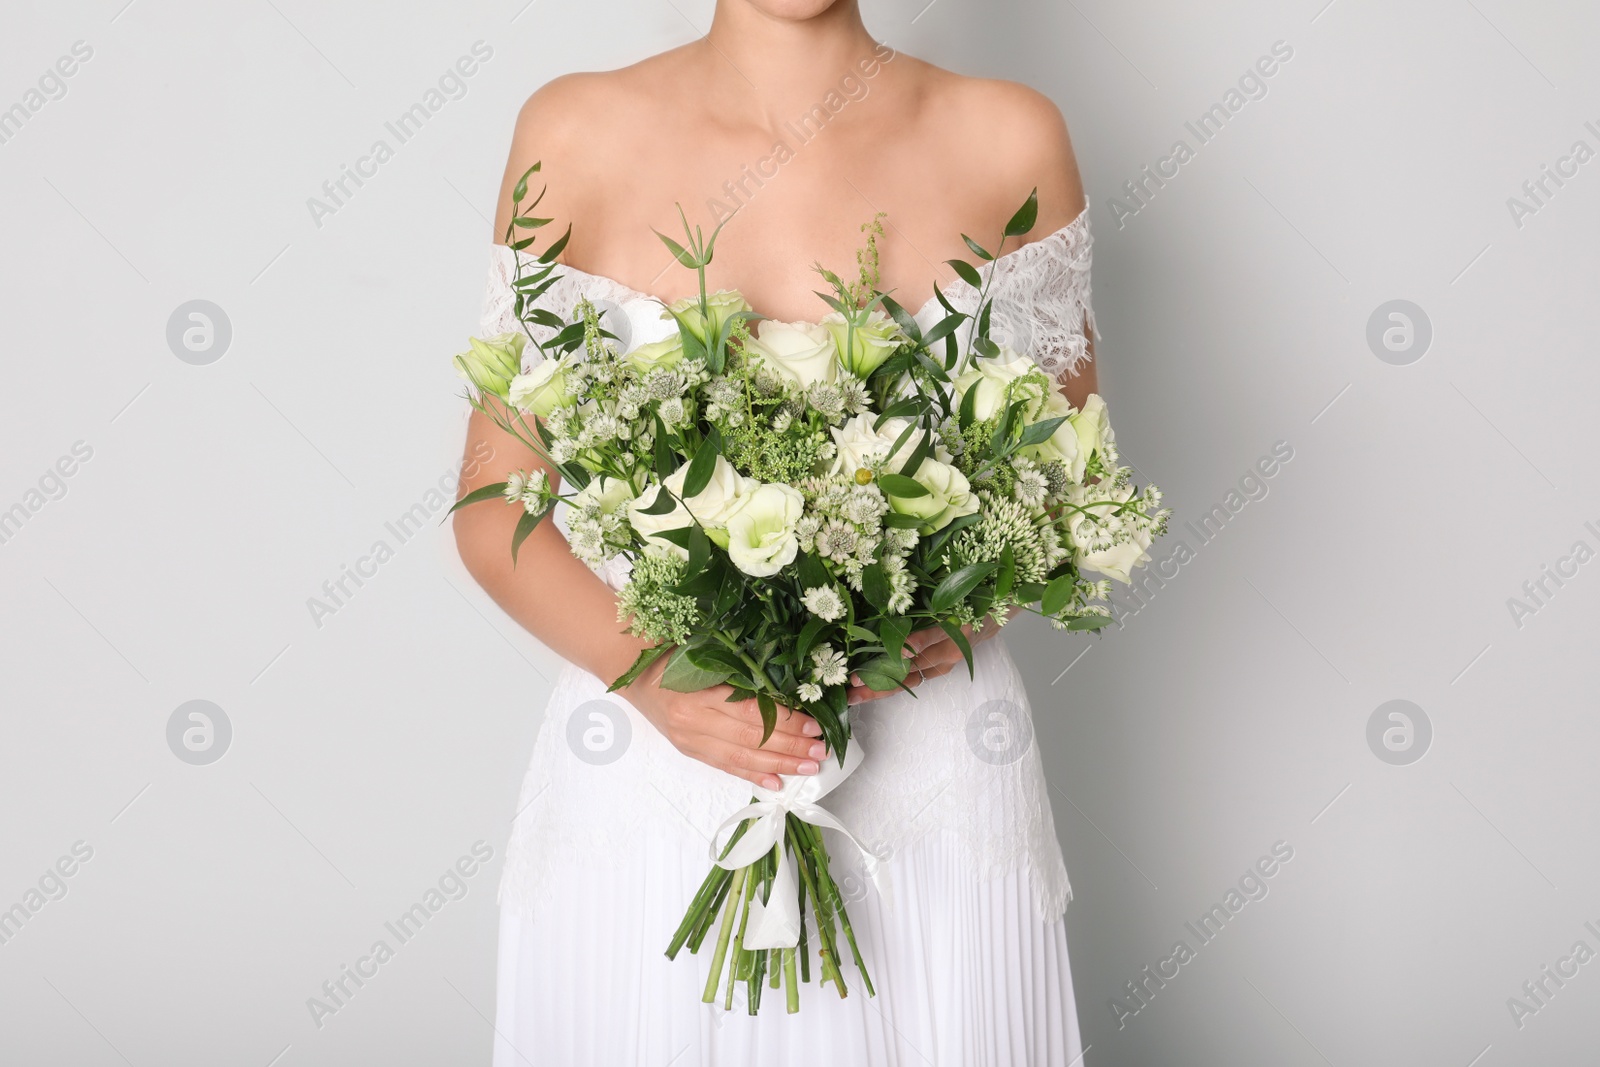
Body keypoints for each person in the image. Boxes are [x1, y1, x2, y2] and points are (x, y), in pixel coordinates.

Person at [455, 2, 1100, 1062]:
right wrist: (658, 676)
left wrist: (968, 602)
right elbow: (492, 507)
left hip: (929, 742)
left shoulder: (1010, 135)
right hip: (656, 755)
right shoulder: (571, 130)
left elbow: (1070, 481)